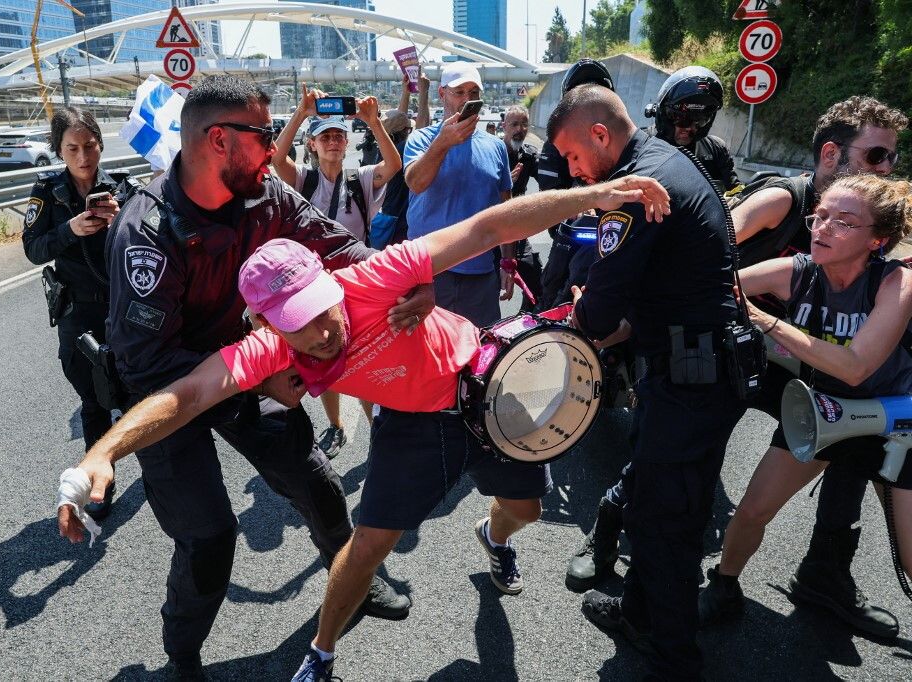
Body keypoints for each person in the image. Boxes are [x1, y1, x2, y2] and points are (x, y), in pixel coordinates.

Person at [57, 173, 672, 682]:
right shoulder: (269, 350)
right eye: (300, 322)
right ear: (270, 324)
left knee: (527, 509)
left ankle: (494, 534)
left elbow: (488, 227)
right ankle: (321, 652)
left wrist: (595, 196)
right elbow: (188, 393)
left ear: (332, 282)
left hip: (482, 387)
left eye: (324, 306)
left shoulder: (371, 279)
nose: (324, 328)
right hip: (412, 423)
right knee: (368, 543)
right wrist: (104, 453)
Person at [101, 75, 428, 676]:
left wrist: (404, 279)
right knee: (208, 536)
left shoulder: (265, 197)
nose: (275, 145)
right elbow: (144, 363)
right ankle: (182, 655)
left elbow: (337, 247)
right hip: (168, 391)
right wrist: (260, 374)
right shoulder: (146, 230)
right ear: (219, 140)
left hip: (243, 365)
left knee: (317, 480)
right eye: (265, 133)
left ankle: (357, 578)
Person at [549, 83, 747, 680]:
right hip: (697, 369)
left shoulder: (635, 191)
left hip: (690, 376)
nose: (572, 170)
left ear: (601, 135)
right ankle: (638, 613)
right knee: (659, 498)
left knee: (668, 525)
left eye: (574, 157)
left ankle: (674, 659)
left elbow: (602, 310)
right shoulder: (661, 161)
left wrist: (580, 311)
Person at [716, 96, 909, 638]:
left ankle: (827, 583)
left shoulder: (896, 282)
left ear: (877, 240)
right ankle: (724, 584)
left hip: (898, 423)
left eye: (843, 222)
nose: (822, 229)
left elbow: (852, 366)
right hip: (829, 415)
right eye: (820, 217)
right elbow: (713, 277)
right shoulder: (798, 269)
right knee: (752, 510)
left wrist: (764, 322)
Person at [272, 86, 402, 460]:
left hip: (353, 287)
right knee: (324, 356)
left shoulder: (359, 180)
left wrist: (373, 123)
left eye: (338, 136)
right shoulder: (302, 181)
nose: (332, 142)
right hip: (310, 288)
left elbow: (392, 168)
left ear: (346, 144)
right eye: (324, 136)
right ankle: (336, 424)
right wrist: (300, 112)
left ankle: (378, 429)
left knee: (362, 357)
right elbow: (276, 159)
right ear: (311, 144)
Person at [22, 106, 128, 520]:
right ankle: (101, 482)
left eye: (89, 146)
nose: (83, 157)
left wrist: (122, 224)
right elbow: (32, 249)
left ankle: (160, 472)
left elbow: (153, 245)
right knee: (93, 401)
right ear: (59, 151)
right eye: (72, 148)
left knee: (141, 395)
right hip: (78, 315)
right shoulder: (48, 192)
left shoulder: (124, 188)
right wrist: (70, 230)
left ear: (100, 145)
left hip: (122, 311)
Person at [404, 61, 515, 327]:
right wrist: (443, 142)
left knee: (479, 352)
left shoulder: (496, 147)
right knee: (427, 356)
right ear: (442, 94)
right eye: (459, 92)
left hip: (480, 275)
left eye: (473, 93)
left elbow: (506, 208)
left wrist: (508, 261)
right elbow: (416, 183)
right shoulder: (421, 139)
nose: (468, 100)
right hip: (428, 272)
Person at [537, 58, 615, 311]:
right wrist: (581, 202)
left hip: (616, 240)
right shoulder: (554, 143)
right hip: (574, 240)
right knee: (551, 299)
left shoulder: (622, 136)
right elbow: (549, 200)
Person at [644, 66, 740, 193]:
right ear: (666, 115)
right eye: (682, 120)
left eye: (699, 121)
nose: (689, 128)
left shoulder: (716, 149)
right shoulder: (641, 144)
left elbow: (735, 189)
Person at [502, 104, 542, 312]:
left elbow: (549, 182)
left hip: (517, 232)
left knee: (536, 282)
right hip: (491, 232)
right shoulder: (492, 152)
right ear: (504, 126)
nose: (520, 129)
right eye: (514, 124)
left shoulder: (529, 156)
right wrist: (503, 182)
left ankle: (527, 328)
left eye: (524, 124)